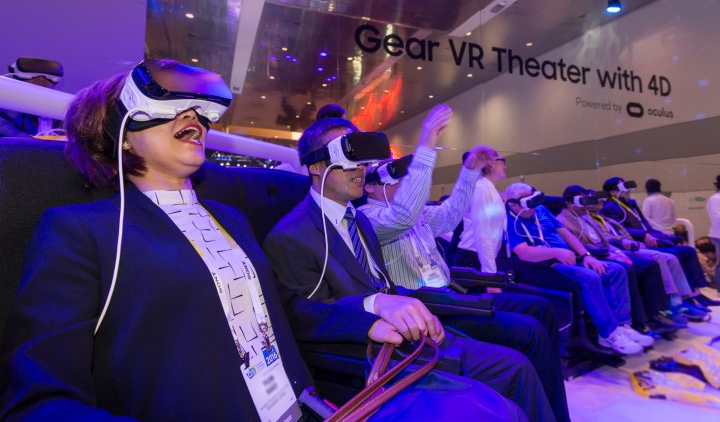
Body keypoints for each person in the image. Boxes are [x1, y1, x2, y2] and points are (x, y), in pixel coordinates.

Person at [0, 60, 525, 421]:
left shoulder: (230, 217)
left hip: (311, 406)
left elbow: (286, 311)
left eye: (199, 111)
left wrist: (371, 308)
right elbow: (40, 399)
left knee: (492, 409)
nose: (194, 118)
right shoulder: (81, 231)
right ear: (119, 129)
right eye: (171, 106)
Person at [263, 117, 557, 422]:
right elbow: (302, 315)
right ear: (315, 166)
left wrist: (413, 306)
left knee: (518, 365)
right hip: (374, 354)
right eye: (348, 154)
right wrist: (374, 306)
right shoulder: (291, 235)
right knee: (509, 388)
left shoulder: (358, 221)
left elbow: (384, 284)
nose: (360, 166)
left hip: (414, 335)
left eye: (362, 158)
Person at [358, 106, 570, 422]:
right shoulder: (368, 219)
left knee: (542, 310)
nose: (403, 177)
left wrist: (470, 170)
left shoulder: (415, 214)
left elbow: (450, 215)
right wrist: (426, 143)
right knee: (531, 333)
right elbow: (402, 216)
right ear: (369, 186)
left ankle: (553, 411)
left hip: (451, 294)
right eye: (393, 172)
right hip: (432, 307)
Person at [504, 182, 653, 355]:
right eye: (528, 202)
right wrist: (556, 252)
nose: (533, 206)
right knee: (590, 277)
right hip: (546, 265)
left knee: (615, 270)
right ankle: (608, 333)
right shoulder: (509, 221)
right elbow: (523, 253)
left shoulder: (541, 210)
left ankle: (622, 326)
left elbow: (565, 233)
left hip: (570, 258)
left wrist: (586, 255)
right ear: (513, 204)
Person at [557, 185, 694, 331]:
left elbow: (604, 241)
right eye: (583, 201)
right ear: (569, 203)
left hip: (609, 251)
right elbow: (579, 247)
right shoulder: (562, 221)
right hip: (595, 256)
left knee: (651, 264)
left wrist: (617, 252)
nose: (587, 206)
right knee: (629, 268)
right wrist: (609, 254)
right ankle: (639, 319)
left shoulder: (585, 217)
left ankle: (659, 310)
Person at [601, 176, 717, 309]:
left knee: (688, 250)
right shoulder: (611, 207)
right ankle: (682, 298)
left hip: (651, 237)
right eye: (624, 187)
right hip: (638, 242)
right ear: (612, 192)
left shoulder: (630, 204)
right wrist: (644, 235)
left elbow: (646, 225)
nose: (628, 190)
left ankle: (696, 291)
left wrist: (666, 237)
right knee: (673, 254)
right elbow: (621, 230)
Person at [454, 146, 508, 273]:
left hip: (481, 257)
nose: (505, 166)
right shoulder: (481, 189)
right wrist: (489, 273)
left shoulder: (488, 189)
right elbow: (482, 232)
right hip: (473, 259)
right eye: (502, 161)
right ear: (491, 163)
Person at [0, 56, 65, 138]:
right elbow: (7, 133)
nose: (41, 80)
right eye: (33, 76)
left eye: (48, 79)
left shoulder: (63, 109)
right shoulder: (6, 106)